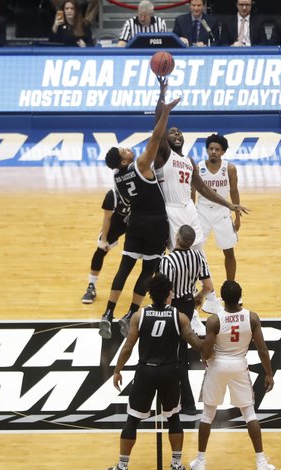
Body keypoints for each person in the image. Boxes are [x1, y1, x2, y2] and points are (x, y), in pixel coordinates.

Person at [99, 77, 179, 340]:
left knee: (124, 268)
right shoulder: (142, 165)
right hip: (155, 223)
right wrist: (165, 113)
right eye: (124, 149)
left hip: (135, 223)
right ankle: (129, 314)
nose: (128, 148)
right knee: (147, 271)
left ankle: (107, 314)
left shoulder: (117, 178)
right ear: (124, 159)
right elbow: (157, 136)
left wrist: (160, 94)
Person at [106, 272, 204, 470]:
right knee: (174, 418)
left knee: (132, 419)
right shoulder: (179, 317)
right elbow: (197, 345)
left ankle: (122, 468)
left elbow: (128, 347)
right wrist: (213, 342)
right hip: (170, 371)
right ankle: (176, 466)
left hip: (146, 371)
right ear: (170, 294)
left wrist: (117, 370)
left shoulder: (139, 316)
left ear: (150, 295)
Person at [155, 125, 247, 319]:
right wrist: (163, 109)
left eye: (180, 131)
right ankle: (184, 306)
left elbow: (203, 188)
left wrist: (230, 206)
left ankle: (211, 297)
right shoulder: (164, 156)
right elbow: (159, 133)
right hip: (174, 209)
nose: (177, 133)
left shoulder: (189, 161)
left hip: (191, 208)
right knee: (178, 260)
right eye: (172, 132)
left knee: (198, 255)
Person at [188, 280, 276, 470]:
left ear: (222, 299)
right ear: (240, 296)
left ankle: (200, 463)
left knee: (208, 414)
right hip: (239, 365)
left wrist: (201, 350)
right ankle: (261, 464)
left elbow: (208, 351)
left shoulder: (214, 321)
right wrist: (269, 374)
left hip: (218, 365)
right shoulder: (251, 317)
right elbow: (262, 349)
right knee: (249, 413)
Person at [159, 225, 213, 415]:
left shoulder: (168, 261)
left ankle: (186, 403)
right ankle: (179, 399)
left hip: (173, 308)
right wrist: (198, 297)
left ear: (176, 238)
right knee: (179, 351)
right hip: (188, 305)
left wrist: (163, 311)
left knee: (175, 354)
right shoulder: (198, 257)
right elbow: (208, 286)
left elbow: (166, 292)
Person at [196, 134, 240, 282]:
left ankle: (231, 286)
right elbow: (192, 193)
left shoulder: (230, 169)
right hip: (201, 212)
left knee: (229, 251)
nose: (213, 151)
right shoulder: (198, 168)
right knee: (194, 251)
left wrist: (238, 217)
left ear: (223, 152)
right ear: (207, 150)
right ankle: (191, 287)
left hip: (222, 212)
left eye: (217, 149)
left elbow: (234, 192)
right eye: (211, 148)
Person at [81, 188, 129, 304]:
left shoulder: (142, 187)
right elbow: (107, 218)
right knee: (100, 250)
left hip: (138, 219)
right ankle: (91, 286)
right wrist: (104, 239)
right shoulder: (112, 194)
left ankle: (158, 286)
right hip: (119, 219)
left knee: (152, 252)